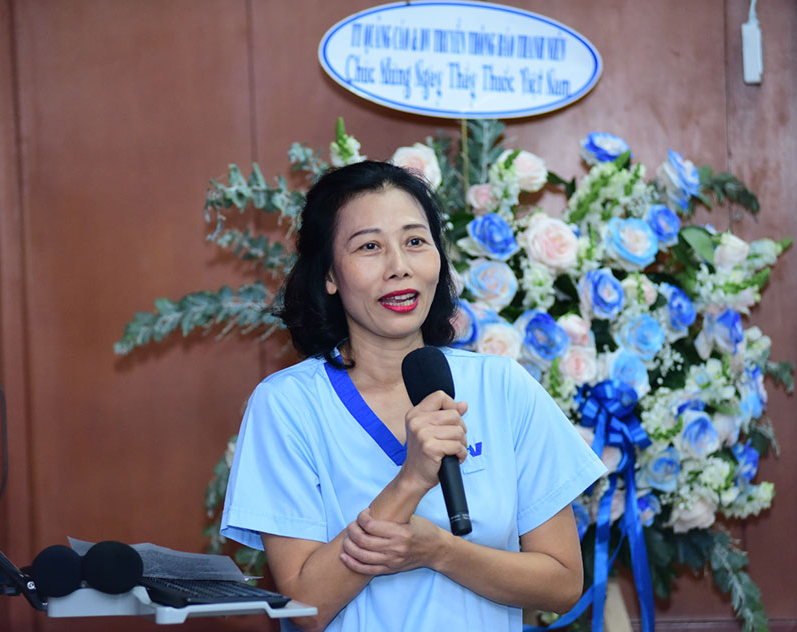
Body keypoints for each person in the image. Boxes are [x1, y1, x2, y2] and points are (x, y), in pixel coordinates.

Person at [220, 160, 607, 632]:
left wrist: (440, 552)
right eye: (369, 246)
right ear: (329, 274)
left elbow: (562, 584)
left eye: (415, 242)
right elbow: (307, 606)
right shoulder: (286, 405)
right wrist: (409, 482)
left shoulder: (503, 386)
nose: (398, 267)